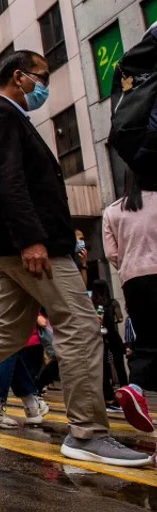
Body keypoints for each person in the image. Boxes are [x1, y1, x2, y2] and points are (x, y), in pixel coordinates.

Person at [0, 50, 149, 467]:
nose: (44, 87)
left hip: (12, 246)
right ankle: (88, 432)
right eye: (42, 77)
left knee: (11, 332)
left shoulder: (6, 117)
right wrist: (32, 240)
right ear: (20, 77)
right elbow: (7, 180)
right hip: (28, 247)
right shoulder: (0, 116)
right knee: (81, 323)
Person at [105, 169, 157, 432]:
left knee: (146, 342)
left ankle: (135, 388)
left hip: (132, 281)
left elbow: (112, 254)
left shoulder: (112, 211)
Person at [90, 279, 126, 413]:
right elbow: (120, 318)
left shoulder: (92, 303)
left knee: (104, 368)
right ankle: (125, 395)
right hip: (113, 337)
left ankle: (108, 398)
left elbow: (96, 320)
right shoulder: (112, 302)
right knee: (120, 366)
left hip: (100, 339)